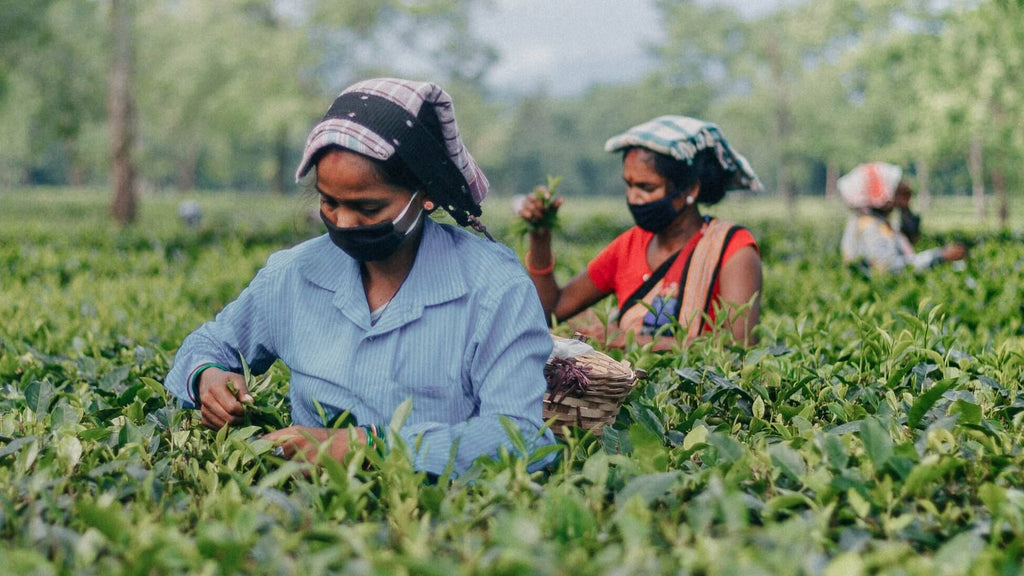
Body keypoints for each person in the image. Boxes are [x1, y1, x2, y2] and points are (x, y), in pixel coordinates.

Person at [163, 78, 556, 476]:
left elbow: (524, 437)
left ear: (426, 194)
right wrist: (207, 378)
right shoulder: (293, 275)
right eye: (329, 202)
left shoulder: (494, 290)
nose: (345, 222)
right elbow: (208, 345)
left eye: (368, 207)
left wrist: (365, 446)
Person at [517, 116, 764, 350]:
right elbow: (551, 310)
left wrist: (630, 340)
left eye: (647, 187)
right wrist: (541, 237)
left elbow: (738, 347)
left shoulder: (733, 249)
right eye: (629, 184)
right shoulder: (630, 244)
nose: (633, 198)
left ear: (690, 189)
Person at [838, 162, 967, 275]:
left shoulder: (878, 221)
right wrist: (939, 256)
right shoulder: (868, 225)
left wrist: (905, 207)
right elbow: (889, 268)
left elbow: (911, 238)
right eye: (894, 189)